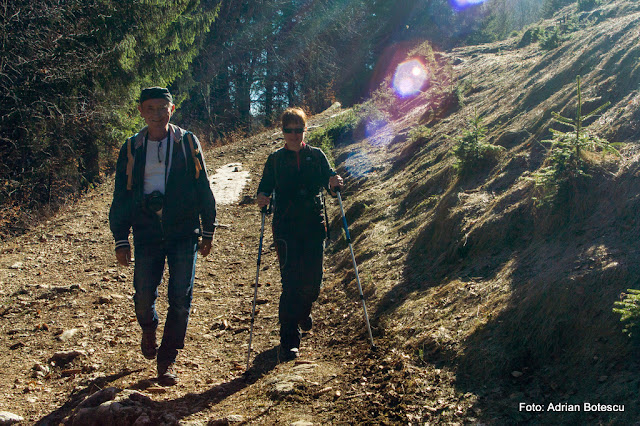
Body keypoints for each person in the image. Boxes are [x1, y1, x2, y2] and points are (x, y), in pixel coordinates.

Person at [109, 87, 217, 385]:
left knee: (180, 297)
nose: (157, 114)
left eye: (162, 108)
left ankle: (168, 357)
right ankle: (149, 327)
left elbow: (203, 186)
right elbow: (121, 195)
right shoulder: (132, 147)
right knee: (143, 295)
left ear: (172, 109)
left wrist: (208, 228)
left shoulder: (187, 142)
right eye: (150, 108)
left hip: (183, 230)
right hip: (146, 230)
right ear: (141, 111)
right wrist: (121, 237)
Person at [257, 107, 343, 361]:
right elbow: (264, 189)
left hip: (314, 226)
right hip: (285, 229)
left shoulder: (316, 156)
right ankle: (289, 340)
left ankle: (303, 311)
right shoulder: (275, 160)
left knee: (313, 283)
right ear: (282, 131)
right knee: (290, 283)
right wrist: (262, 198)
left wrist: (334, 184)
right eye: (289, 130)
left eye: (298, 129)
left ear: (305, 130)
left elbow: (330, 184)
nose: (294, 135)